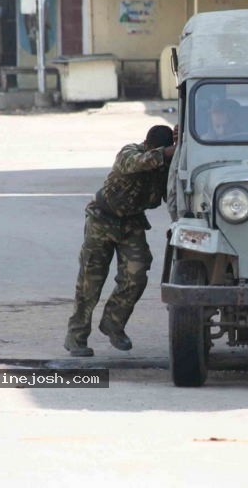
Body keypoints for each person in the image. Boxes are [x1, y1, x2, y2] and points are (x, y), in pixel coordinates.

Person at [64, 125, 177, 357]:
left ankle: (113, 322)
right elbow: (138, 162)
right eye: (159, 150)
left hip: (131, 223)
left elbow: (175, 194)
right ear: (147, 144)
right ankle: (76, 337)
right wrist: (167, 152)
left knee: (136, 275)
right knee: (90, 281)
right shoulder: (130, 152)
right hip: (102, 220)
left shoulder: (165, 169)